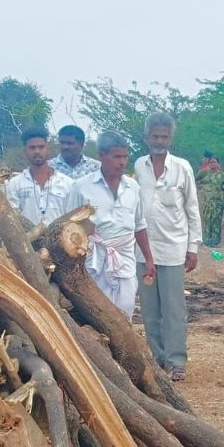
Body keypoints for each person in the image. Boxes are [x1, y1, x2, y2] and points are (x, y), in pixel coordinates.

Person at [134, 113, 202, 382]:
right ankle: (157, 359)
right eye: (155, 136)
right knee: (150, 310)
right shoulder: (139, 166)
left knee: (174, 309)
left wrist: (193, 246)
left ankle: (176, 362)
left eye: (164, 137)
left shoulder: (182, 167)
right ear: (146, 137)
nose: (159, 141)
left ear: (170, 138)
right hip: (143, 250)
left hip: (174, 249)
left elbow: (192, 208)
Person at [66, 131, 155, 317]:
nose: (122, 162)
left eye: (125, 157)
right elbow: (67, 227)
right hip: (92, 261)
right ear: (101, 156)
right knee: (96, 316)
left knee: (125, 312)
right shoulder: (81, 187)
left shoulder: (132, 187)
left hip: (125, 260)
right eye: (116, 157)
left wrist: (148, 258)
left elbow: (139, 225)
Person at [4, 127, 74, 226]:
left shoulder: (67, 183)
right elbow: (11, 218)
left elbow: (73, 217)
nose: (37, 151)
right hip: (27, 240)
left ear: (48, 149)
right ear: (25, 151)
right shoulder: (15, 184)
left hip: (61, 239)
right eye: (32, 148)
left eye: (41, 147)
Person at [196, 156, 224, 248]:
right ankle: (206, 241)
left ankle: (216, 241)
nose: (213, 164)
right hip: (207, 202)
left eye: (215, 162)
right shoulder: (203, 173)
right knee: (207, 220)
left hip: (218, 202)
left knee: (216, 221)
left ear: (218, 163)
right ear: (209, 164)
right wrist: (200, 189)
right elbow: (195, 180)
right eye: (211, 162)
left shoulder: (222, 175)